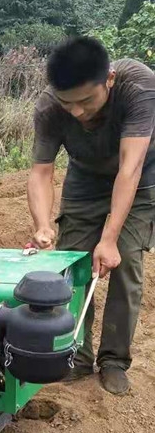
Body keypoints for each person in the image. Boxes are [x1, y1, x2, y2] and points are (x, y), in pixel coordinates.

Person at [28, 36, 155, 395]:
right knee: (73, 264)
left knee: (125, 261)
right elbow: (40, 172)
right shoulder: (50, 108)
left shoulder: (140, 87)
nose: (78, 112)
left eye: (87, 101)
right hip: (84, 180)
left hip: (140, 178)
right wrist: (41, 224)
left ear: (109, 79)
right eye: (69, 103)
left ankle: (114, 360)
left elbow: (129, 169)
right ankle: (77, 357)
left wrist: (110, 238)